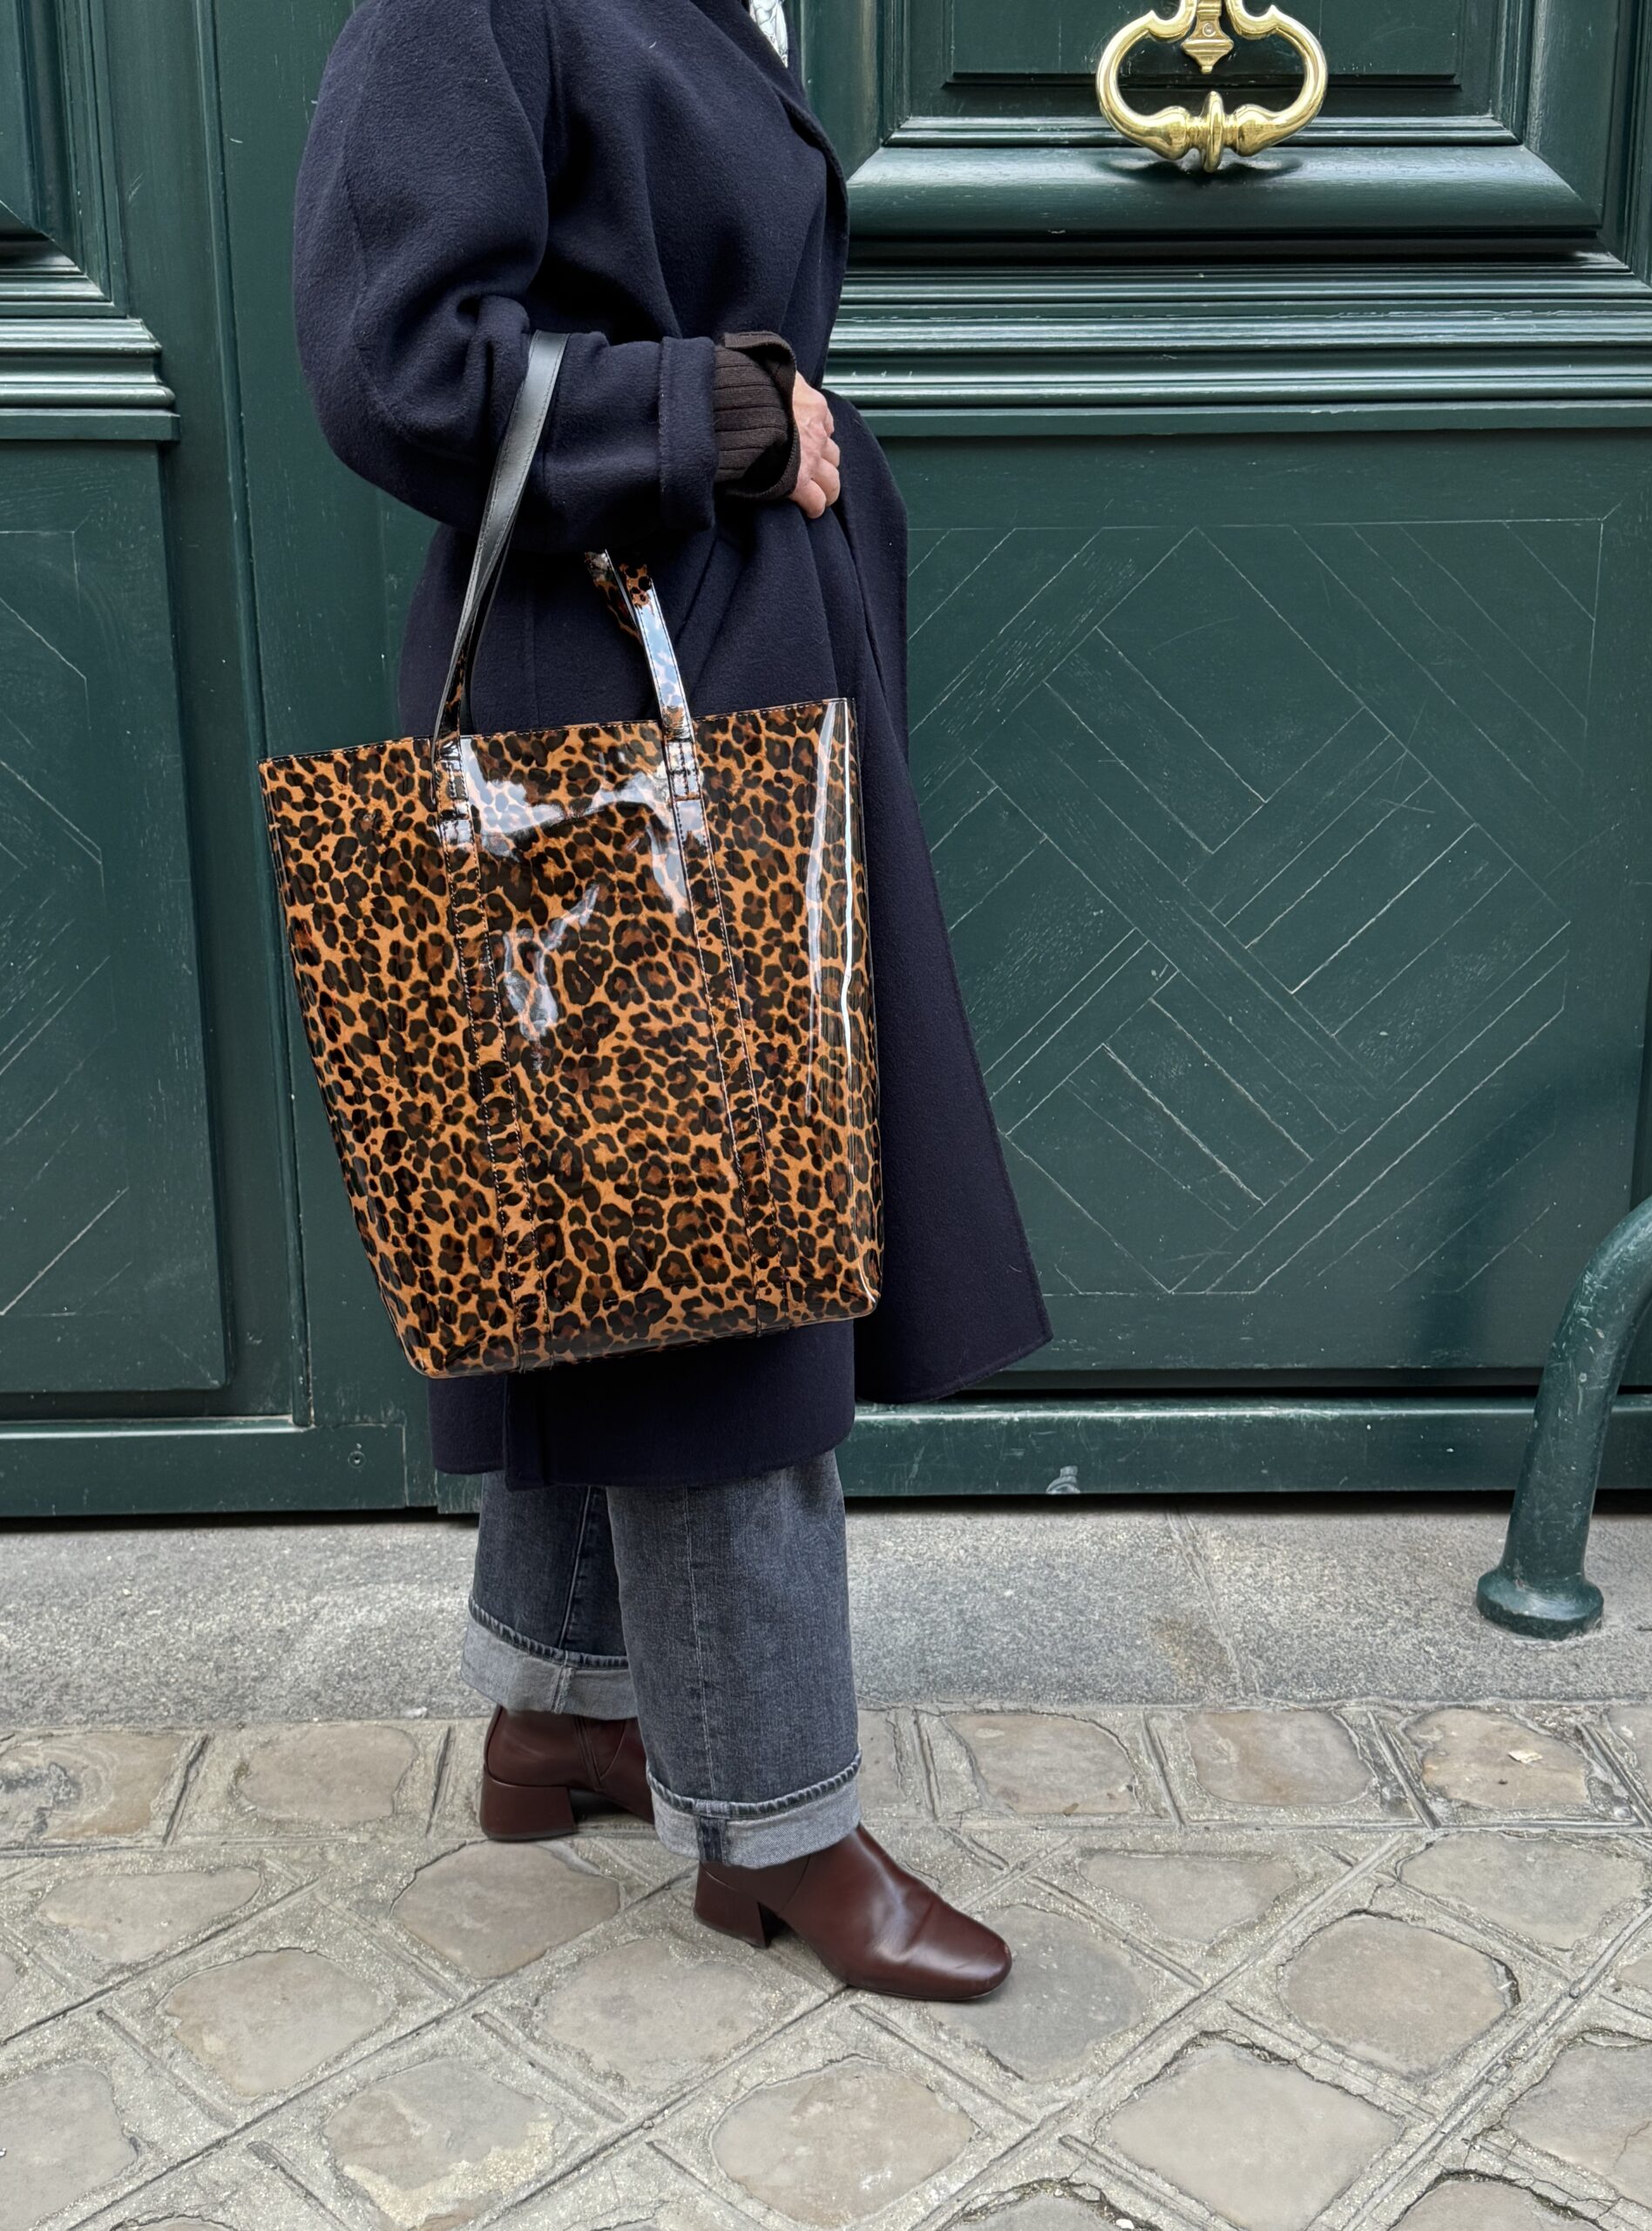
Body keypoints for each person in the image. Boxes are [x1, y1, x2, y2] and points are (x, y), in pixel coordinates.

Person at [291, 0, 1052, 2000]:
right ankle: (780, 1825)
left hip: (721, 665)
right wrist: (709, 413)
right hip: (605, 682)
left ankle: (560, 1714)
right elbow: (391, 358)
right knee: (725, 1262)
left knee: (629, 1230)